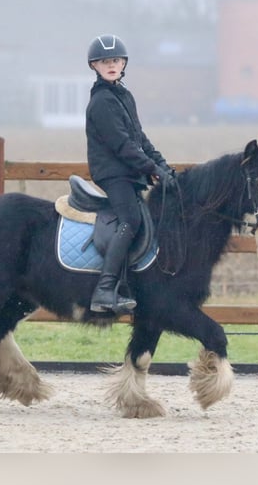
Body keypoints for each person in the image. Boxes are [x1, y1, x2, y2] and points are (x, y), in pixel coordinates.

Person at [84, 34, 175, 314]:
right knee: (131, 221)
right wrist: (151, 169)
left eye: (115, 60)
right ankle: (104, 290)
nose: (111, 65)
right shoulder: (101, 102)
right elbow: (122, 146)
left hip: (129, 173)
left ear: (123, 63)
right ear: (94, 66)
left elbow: (140, 139)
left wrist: (163, 166)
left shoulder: (124, 96)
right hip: (114, 174)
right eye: (104, 62)